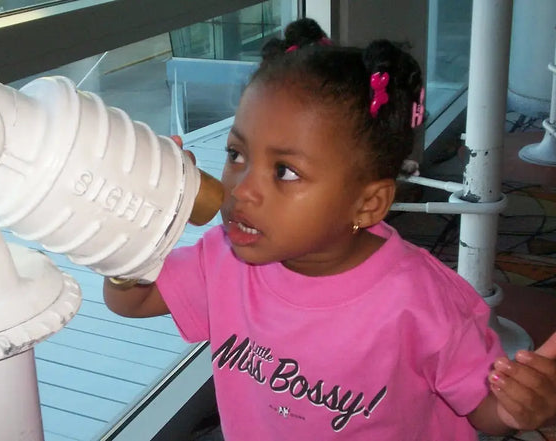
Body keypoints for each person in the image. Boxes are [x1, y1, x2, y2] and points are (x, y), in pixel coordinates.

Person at [104, 18, 556, 440]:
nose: (241, 190)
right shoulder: (222, 256)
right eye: (236, 154)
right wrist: (139, 224)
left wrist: (520, 408)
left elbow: (483, 409)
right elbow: (133, 299)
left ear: (367, 203)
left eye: (284, 171)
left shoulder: (423, 303)